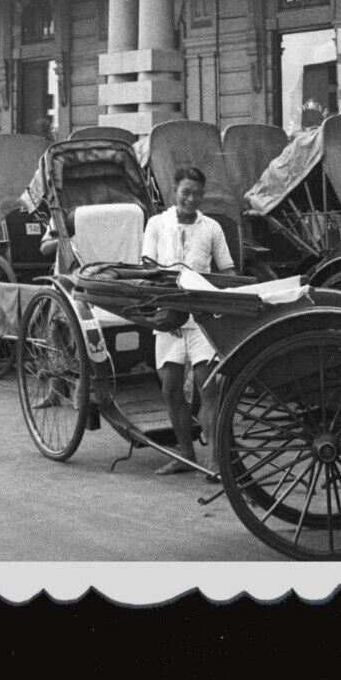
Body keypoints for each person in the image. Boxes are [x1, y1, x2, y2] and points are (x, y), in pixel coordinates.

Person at [141, 166, 235, 475]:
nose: (191, 200)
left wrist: (218, 299)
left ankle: (217, 461)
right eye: (186, 193)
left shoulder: (212, 228)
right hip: (168, 317)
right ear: (174, 191)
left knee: (207, 388)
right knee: (170, 389)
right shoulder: (156, 224)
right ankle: (186, 455)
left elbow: (229, 273)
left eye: (198, 194)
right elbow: (147, 271)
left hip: (202, 321)